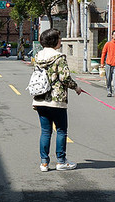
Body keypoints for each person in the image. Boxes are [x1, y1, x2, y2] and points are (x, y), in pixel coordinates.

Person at [32, 28, 82, 171]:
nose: (61, 41)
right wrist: (76, 87)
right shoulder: (59, 57)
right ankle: (61, 161)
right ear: (54, 41)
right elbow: (65, 78)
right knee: (61, 130)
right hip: (56, 100)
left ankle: (44, 163)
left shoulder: (38, 56)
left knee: (45, 132)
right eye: (59, 39)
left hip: (40, 99)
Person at [100, 30, 115, 98]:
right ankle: (109, 91)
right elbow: (103, 53)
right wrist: (102, 63)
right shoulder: (108, 44)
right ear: (112, 35)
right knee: (108, 78)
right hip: (108, 64)